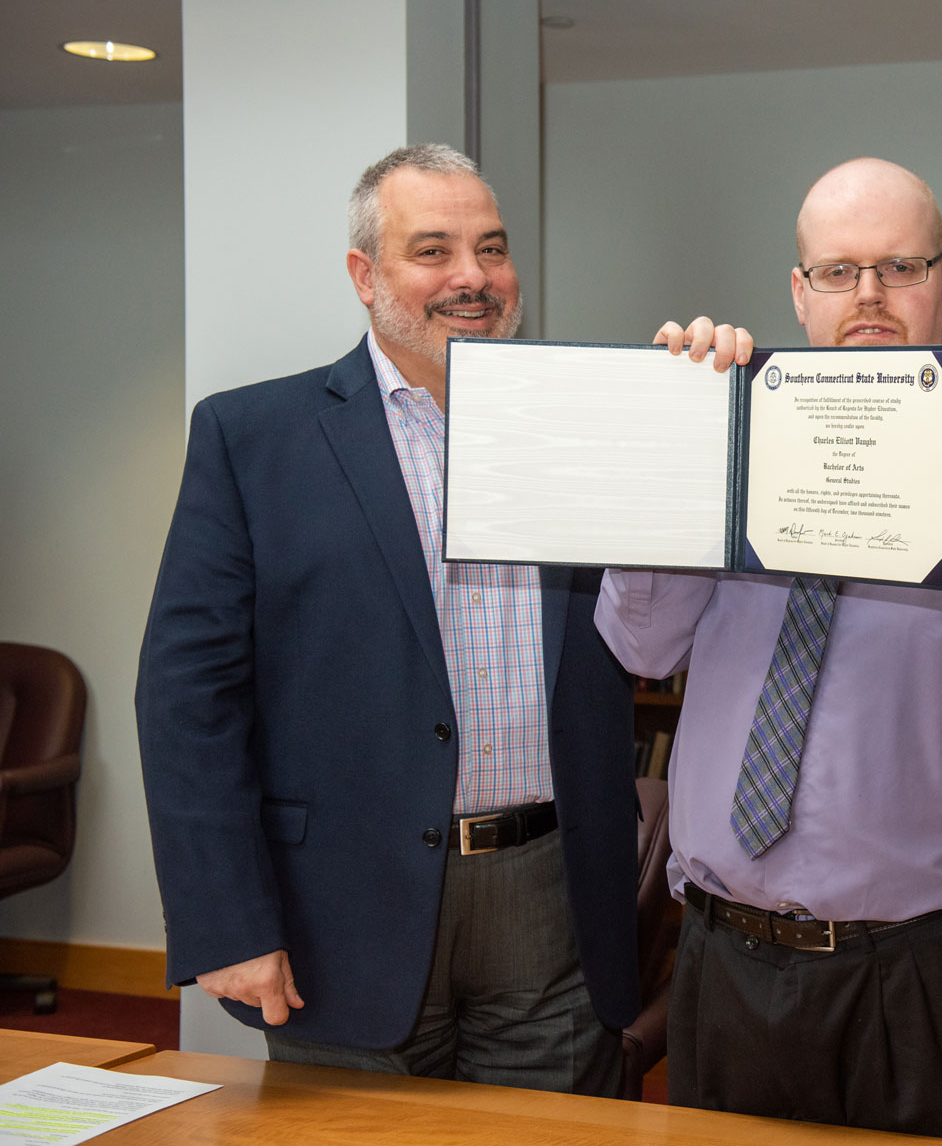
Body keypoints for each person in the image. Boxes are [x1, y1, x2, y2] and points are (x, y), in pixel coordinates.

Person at [595, 157, 942, 1145]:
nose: (870, 297)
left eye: (899, 266)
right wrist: (674, 443)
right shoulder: (719, 440)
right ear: (799, 293)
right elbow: (640, 642)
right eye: (840, 271)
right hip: (725, 967)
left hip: (930, 981)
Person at [136, 144, 641, 1095]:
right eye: (434, 251)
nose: (472, 278)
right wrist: (228, 921)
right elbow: (187, 701)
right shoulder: (252, 439)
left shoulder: (585, 423)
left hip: (552, 892)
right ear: (366, 275)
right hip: (342, 909)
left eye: (491, 249)